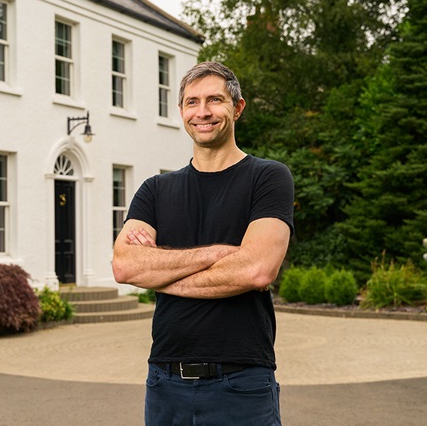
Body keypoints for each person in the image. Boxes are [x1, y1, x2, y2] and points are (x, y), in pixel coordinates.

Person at [112, 61, 294, 425]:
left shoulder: (268, 178)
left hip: (241, 381)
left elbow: (257, 270)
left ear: (237, 108)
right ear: (181, 111)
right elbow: (125, 266)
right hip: (164, 381)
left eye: (215, 100)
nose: (203, 112)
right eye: (192, 102)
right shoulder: (155, 190)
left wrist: (161, 273)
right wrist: (220, 255)